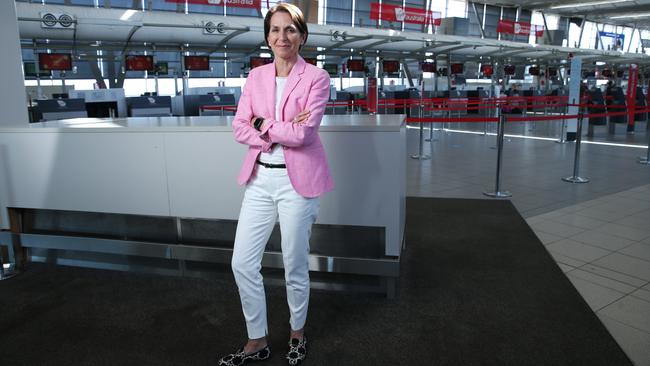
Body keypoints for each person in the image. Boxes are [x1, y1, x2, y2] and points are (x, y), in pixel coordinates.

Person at [218, 3, 333, 366]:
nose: (282, 37)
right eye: (275, 30)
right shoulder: (256, 78)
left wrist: (261, 122)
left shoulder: (316, 77)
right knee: (241, 263)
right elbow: (238, 128)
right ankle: (257, 339)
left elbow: (303, 134)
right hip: (259, 177)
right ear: (267, 36)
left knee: (294, 262)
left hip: (297, 182)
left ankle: (297, 332)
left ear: (302, 35)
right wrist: (274, 126)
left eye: (290, 30)